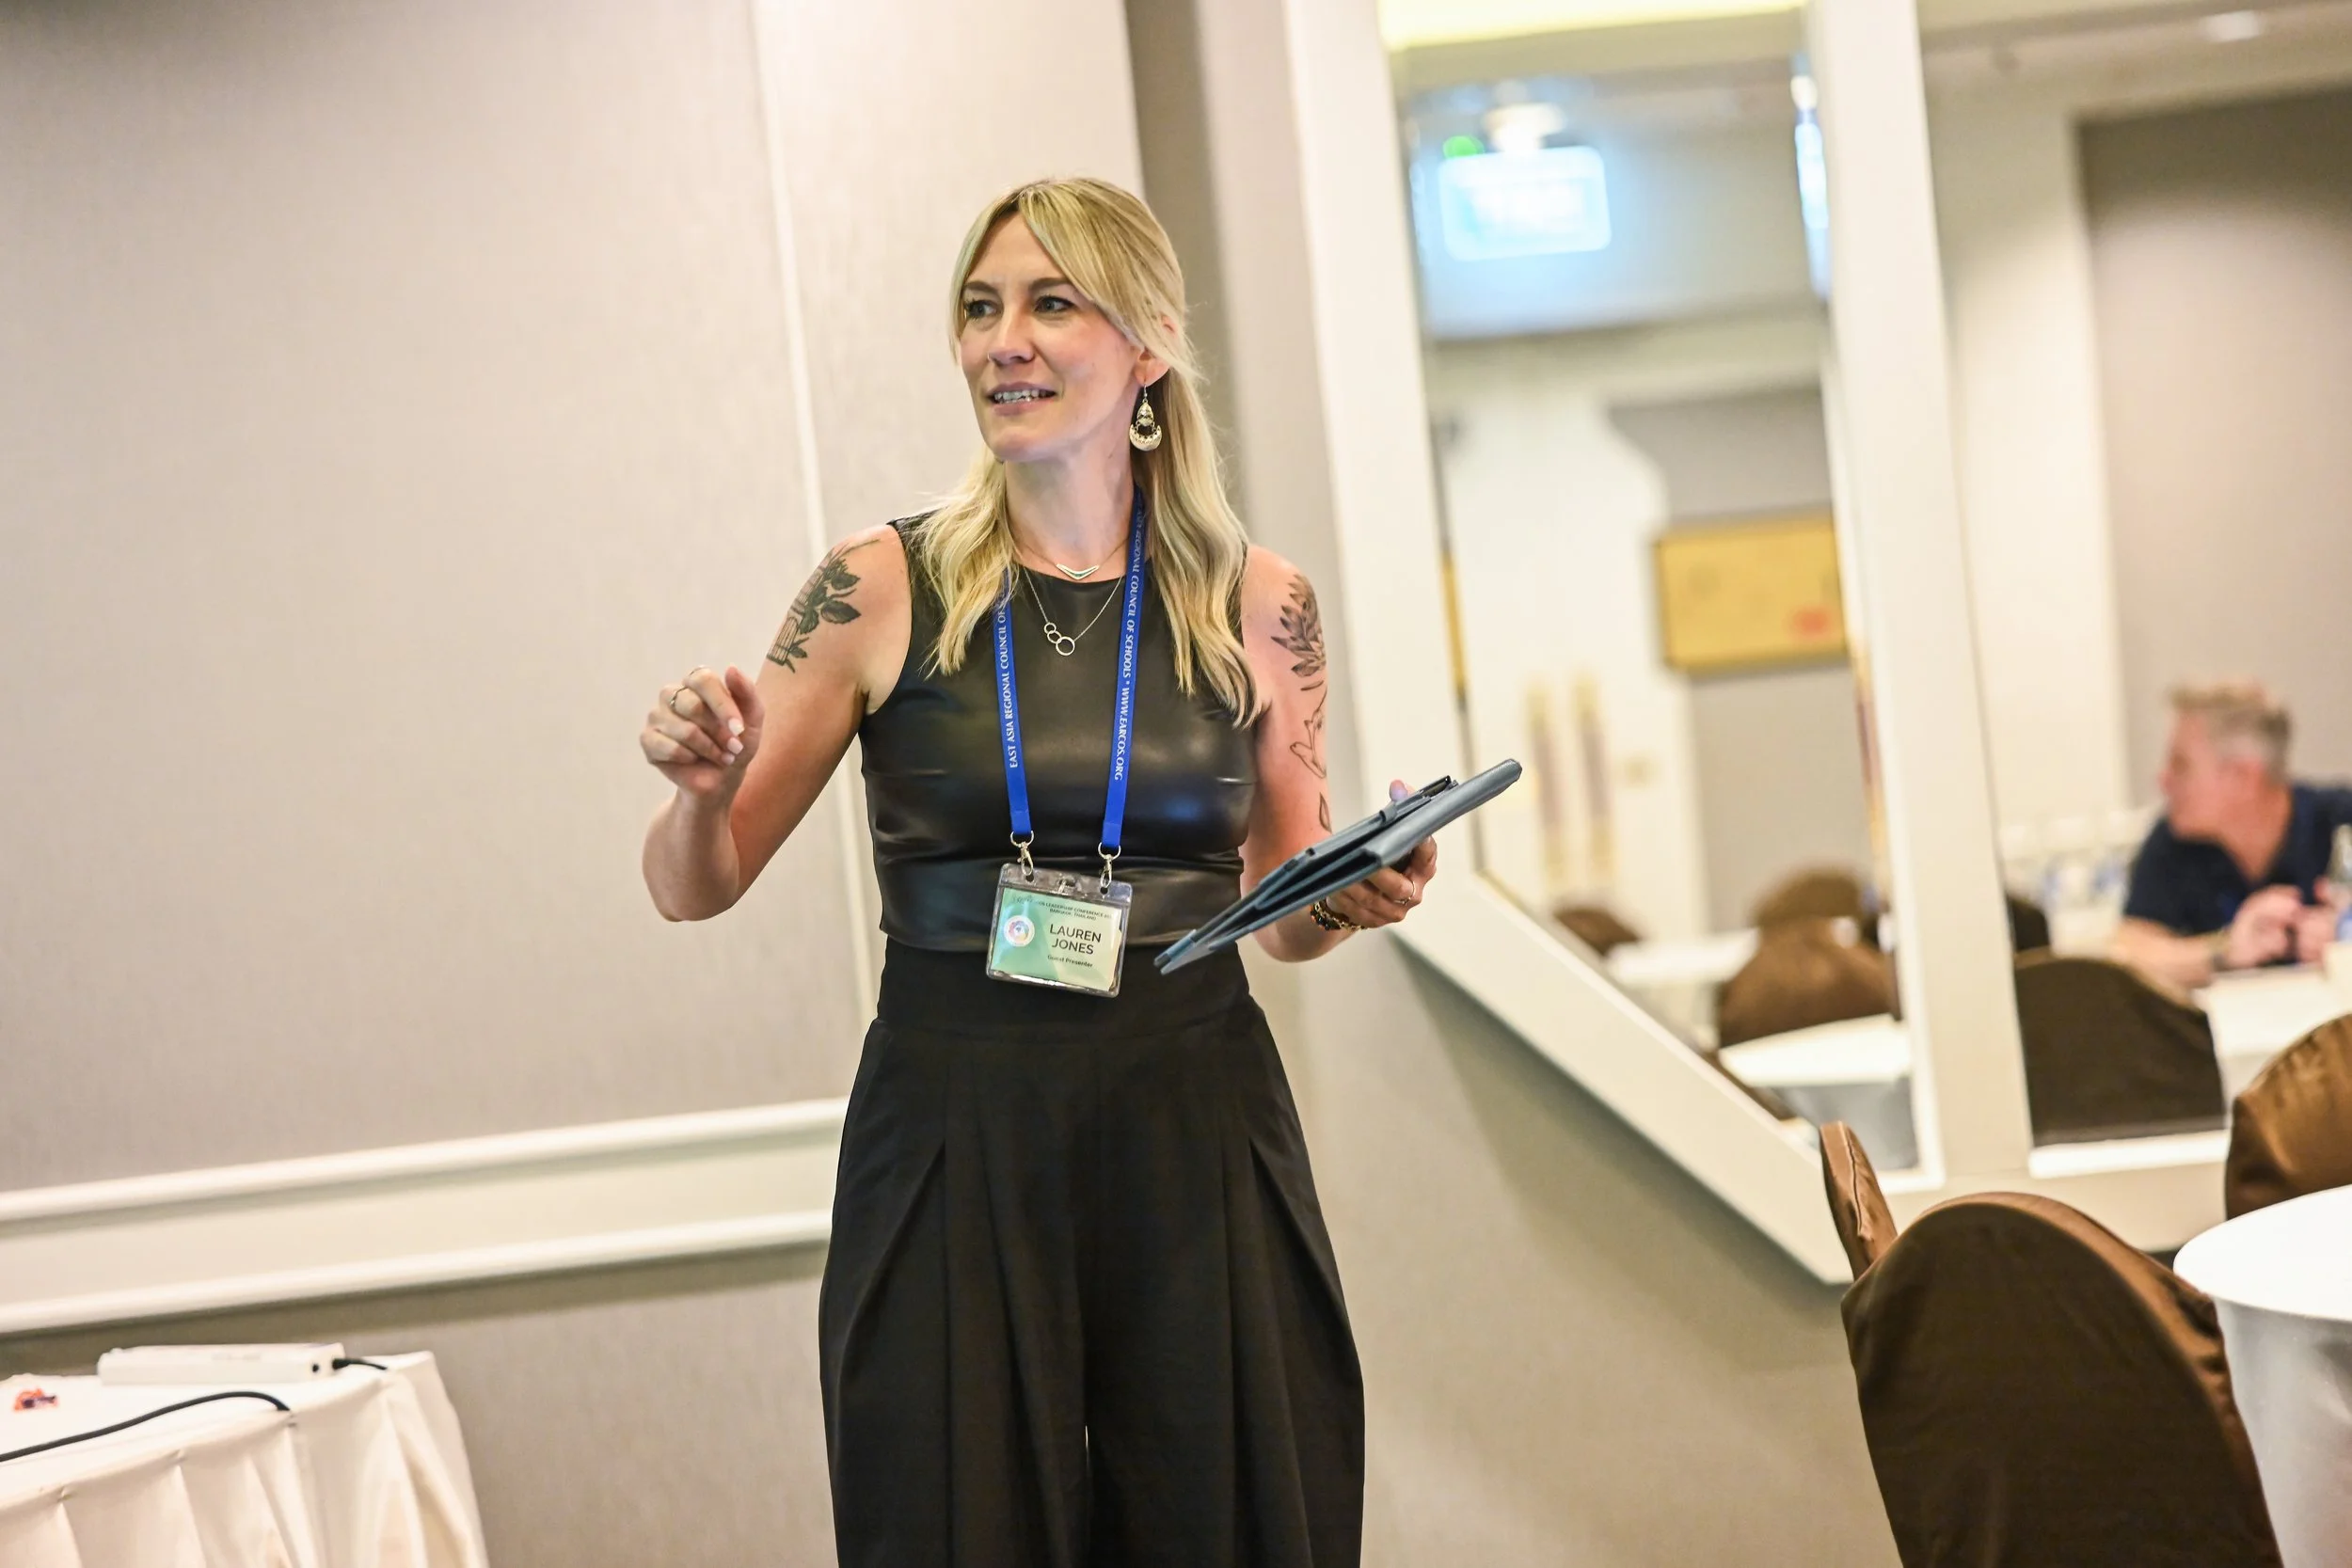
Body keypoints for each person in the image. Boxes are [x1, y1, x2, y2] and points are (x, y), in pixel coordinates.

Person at [637, 177, 1435, 1567]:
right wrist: (701, 794)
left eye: (1050, 301)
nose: (1002, 338)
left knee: (1240, 1511)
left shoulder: (1260, 599)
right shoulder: (878, 585)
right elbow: (692, 882)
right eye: (979, 306)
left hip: (1196, 1100)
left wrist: (1353, 890)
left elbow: (1284, 898)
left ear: (1149, 346)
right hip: (956, 1110)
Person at [2111, 682, 2352, 990]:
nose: (2163, 779)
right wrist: (2222, 951)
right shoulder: (2174, 841)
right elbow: (2125, 953)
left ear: (2243, 777)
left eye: (2181, 765)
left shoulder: (2341, 822)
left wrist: (2344, 940)